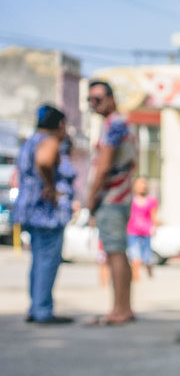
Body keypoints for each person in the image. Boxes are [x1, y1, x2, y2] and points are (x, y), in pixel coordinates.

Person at [85, 80, 139, 326]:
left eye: (97, 99)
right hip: (120, 196)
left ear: (111, 98)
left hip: (112, 198)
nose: (93, 104)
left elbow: (104, 165)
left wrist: (91, 196)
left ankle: (120, 310)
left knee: (115, 253)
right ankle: (123, 308)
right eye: (90, 100)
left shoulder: (115, 124)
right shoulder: (118, 123)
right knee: (118, 253)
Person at [14, 105, 75, 324]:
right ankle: (42, 310)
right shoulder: (49, 141)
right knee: (48, 260)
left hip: (30, 209)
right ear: (60, 124)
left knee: (39, 259)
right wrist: (50, 186)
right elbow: (45, 161)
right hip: (46, 212)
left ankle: (36, 306)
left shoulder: (30, 141)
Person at [126, 177, 159, 282]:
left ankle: (149, 270)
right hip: (132, 232)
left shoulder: (151, 201)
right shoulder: (130, 200)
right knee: (135, 257)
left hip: (146, 232)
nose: (142, 186)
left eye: (144, 184)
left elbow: (154, 216)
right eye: (139, 184)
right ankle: (136, 279)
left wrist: (155, 227)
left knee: (147, 258)